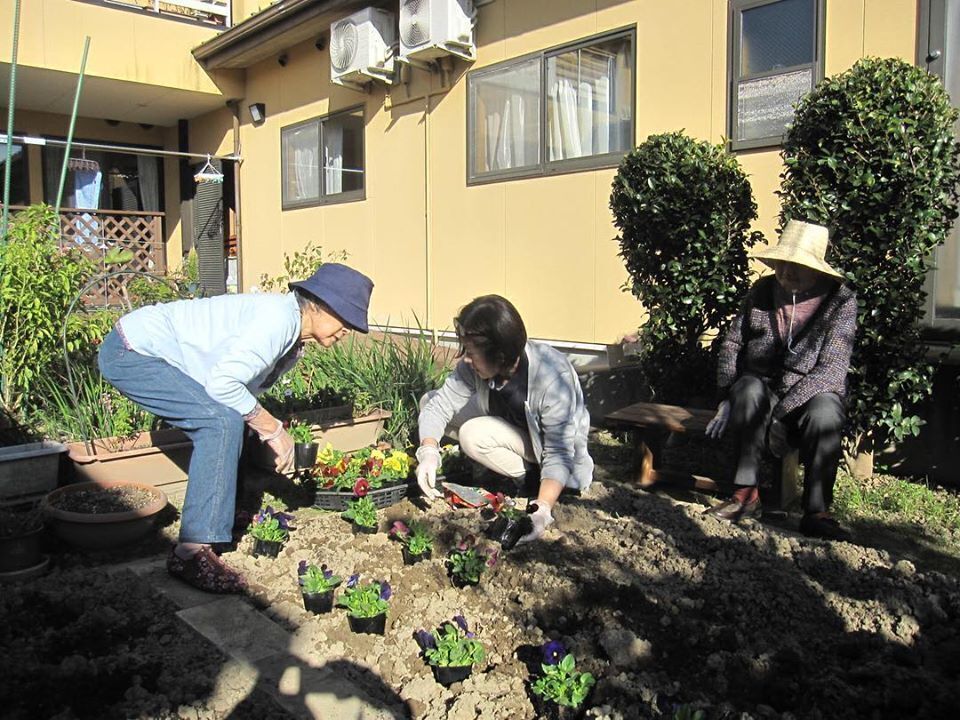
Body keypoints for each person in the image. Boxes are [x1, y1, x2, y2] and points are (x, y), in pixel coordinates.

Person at [98, 263, 373, 592]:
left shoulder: (293, 337)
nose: (347, 330)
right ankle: (191, 553)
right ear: (318, 305)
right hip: (133, 351)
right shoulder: (278, 321)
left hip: (141, 349)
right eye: (346, 318)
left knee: (234, 419)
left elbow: (242, 394)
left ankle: (228, 511)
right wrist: (273, 429)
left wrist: (260, 423)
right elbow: (223, 386)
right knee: (219, 422)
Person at [704, 220, 857, 541]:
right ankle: (745, 494)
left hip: (810, 396)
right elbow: (732, 343)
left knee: (827, 411)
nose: (786, 271)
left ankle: (817, 511)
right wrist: (724, 395)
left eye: (797, 265)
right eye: (782, 263)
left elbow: (831, 370)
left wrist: (780, 415)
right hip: (763, 390)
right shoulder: (761, 292)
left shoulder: (840, 302)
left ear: (817, 270)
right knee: (745, 388)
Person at [415, 295, 594, 544]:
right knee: (429, 401)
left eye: (472, 352)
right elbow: (440, 407)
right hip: (513, 432)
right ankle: (514, 468)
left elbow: (559, 452)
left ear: (499, 355)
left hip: (554, 454)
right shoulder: (474, 366)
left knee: (472, 434)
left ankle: (531, 479)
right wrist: (429, 450)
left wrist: (542, 509)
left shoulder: (551, 377)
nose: (466, 359)